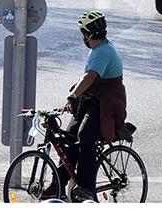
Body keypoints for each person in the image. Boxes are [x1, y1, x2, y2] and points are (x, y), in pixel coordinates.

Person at [60, 11, 126, 201]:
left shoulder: (104, 51)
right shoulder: (97, 49)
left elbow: (89, 78)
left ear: (89, 33)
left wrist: (73, 96)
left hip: (106, 105)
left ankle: (87, 187)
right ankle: (56, 184)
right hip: (93, 101)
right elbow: (87, 80)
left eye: (83, 33)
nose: (82, 37)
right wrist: (74, 98)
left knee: (85, 135)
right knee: (68, 137)